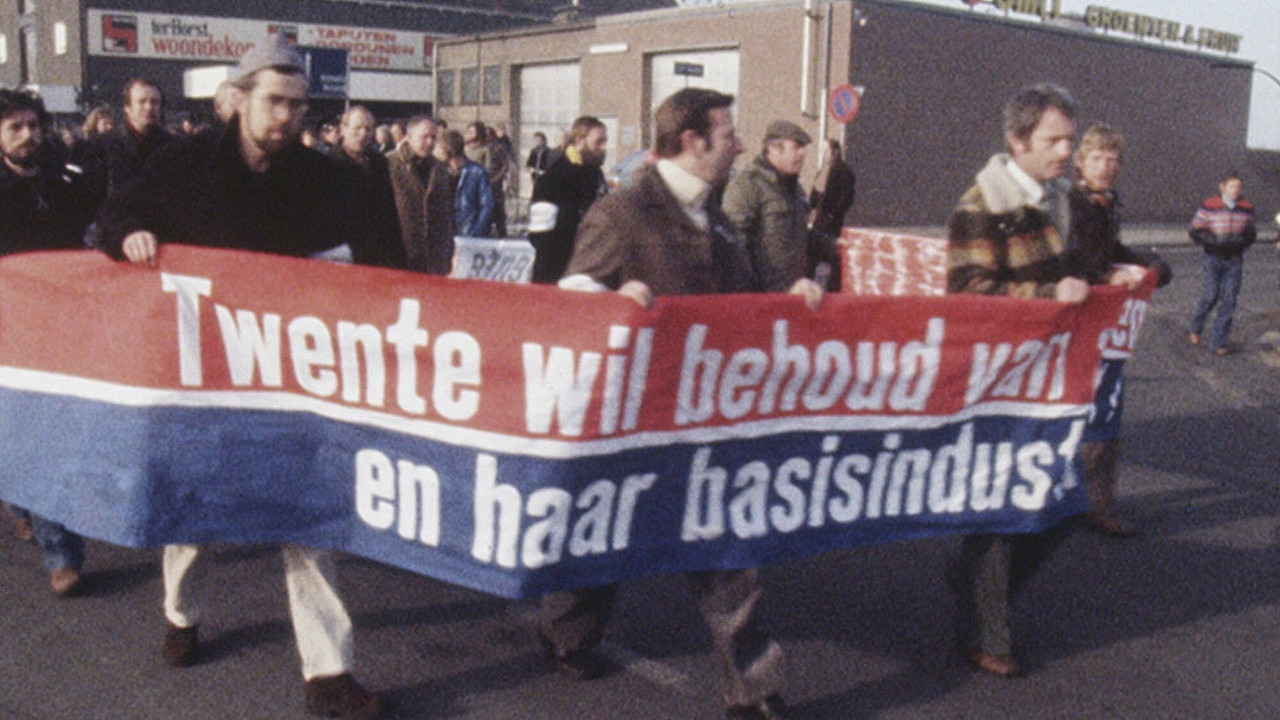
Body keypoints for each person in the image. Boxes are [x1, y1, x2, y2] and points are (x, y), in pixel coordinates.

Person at [97, 38, 397, 720]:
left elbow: (385, 261)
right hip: (203, 376)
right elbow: (117, 215)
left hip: (295, 377)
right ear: (238, 99)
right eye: (275, 101)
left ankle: (329, 674)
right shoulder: (181, 164)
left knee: (311, 519)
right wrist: (132, 236)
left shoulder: (326, 179)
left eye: (298, 104)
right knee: (194, 512)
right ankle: (181, 616)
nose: (288, 116)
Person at [552, 87, 823, 720]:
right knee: (604, 535)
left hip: (706, 416)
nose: (738, 143)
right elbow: (571, 295)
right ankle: (565, 633)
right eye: (727, 134)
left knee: (727, 551)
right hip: (631, 417)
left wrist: (791, 298)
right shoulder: (622, 212)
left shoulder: (720, 216)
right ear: (691, 142)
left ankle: (753, 689)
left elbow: (746, 297)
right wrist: (609, 301)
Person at [945, 83, 1089, 679]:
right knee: (1006, 510)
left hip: (1051, 380)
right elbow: (969, 294)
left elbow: (1069, 269)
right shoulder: (980, 206)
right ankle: (987, 631)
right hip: (1000, 384)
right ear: (1017, 140)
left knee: (1064, 504)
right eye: (1054, 139)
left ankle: (976, 586)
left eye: (1070, 140)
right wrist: (1049, 294)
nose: (1066, 151)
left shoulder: (1058, 198)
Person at [0, 88, 95, 597]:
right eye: (15, 127)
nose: (27, 135)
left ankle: (61, 552)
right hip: (4, 332)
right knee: (12, 439)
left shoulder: (68, 181)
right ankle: (20, 502)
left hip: (56, 334)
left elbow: (98, 234)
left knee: (47, 441)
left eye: (33, 125)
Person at [1065, 123, 1171, 538]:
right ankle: (1054, 501)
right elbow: (1064, 257)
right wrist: (1103, 277)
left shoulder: (1107, 203)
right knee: (1070, 411)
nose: (1106, 166)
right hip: (1072, 322)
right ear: (1081, 161)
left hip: (1104, 329)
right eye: (1097, 158)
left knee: (1106, 410)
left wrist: (1150, 262)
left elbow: (1112, 251)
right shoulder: (1068, 202)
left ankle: (1094, 505)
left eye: (1113, 159)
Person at [723, 120, 838, 292]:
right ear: (774, 149)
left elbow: (796, 232)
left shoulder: (793, 188)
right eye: (796, 147)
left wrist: (832, 245)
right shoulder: (748, 185)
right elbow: (733, 244)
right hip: (761, 297)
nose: (802, 154)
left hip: (793, 294)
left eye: (803, 148)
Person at [527, 116, 608, 284]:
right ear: (579, 140)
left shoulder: (595, 174)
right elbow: (540, 237)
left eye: (604, 142)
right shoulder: (554, 177)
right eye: (598, 142)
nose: (603, 148)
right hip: (556, 273)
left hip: (590, 268)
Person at [1187, 170, 1256, 355]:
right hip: (1213, 258)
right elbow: (1195, 229)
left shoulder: (1246, 207)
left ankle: (1218, 342)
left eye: (1238, 187)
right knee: (1210, 296)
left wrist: (1242, 241)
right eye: (1232, 186)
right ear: (1223, 187)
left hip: (1234, 260)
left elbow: (1251, 232)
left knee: (1229, 300)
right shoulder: (1210, 205)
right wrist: (1213, 241)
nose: (1236, 190)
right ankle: (1195, 327)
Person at [83, 77, 177, 211]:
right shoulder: (103, 146)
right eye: (142, 101)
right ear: (127, 108)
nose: (149, 107)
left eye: (155, 102)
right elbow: (94, 198)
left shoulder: (174, 147)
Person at [333, 105, 403, 268]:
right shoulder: (326, 164)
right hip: (343, 257)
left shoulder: (380, 163)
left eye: (368, 129)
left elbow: (390, 213)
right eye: (357, 128)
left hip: (377, 256)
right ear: (343, 129)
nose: (363, 134)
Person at [387, 115, 455, 274]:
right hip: (399, 257)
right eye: (424, 137)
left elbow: (446, 215)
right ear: (409, 137)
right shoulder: (389, 164)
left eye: (433, 137)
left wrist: (447, 252)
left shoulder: (439, 169)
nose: (430, 142)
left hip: (433, 260)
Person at [438, 128, 494, 239]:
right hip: (444, 236)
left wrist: (476, 232)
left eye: (439, 148)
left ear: (448, 150)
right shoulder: (439, 172)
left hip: (467, 234)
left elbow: (487, 205)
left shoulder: (477, 172)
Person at [808, 138, 856, 238]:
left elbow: (847, 197)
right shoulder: (824, 170)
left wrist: (834, 213)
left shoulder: (844, 171)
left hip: (832, 221)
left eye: (826, 151)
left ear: (835, 152)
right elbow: (816, 192)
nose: (824, 154)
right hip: (820, 218)